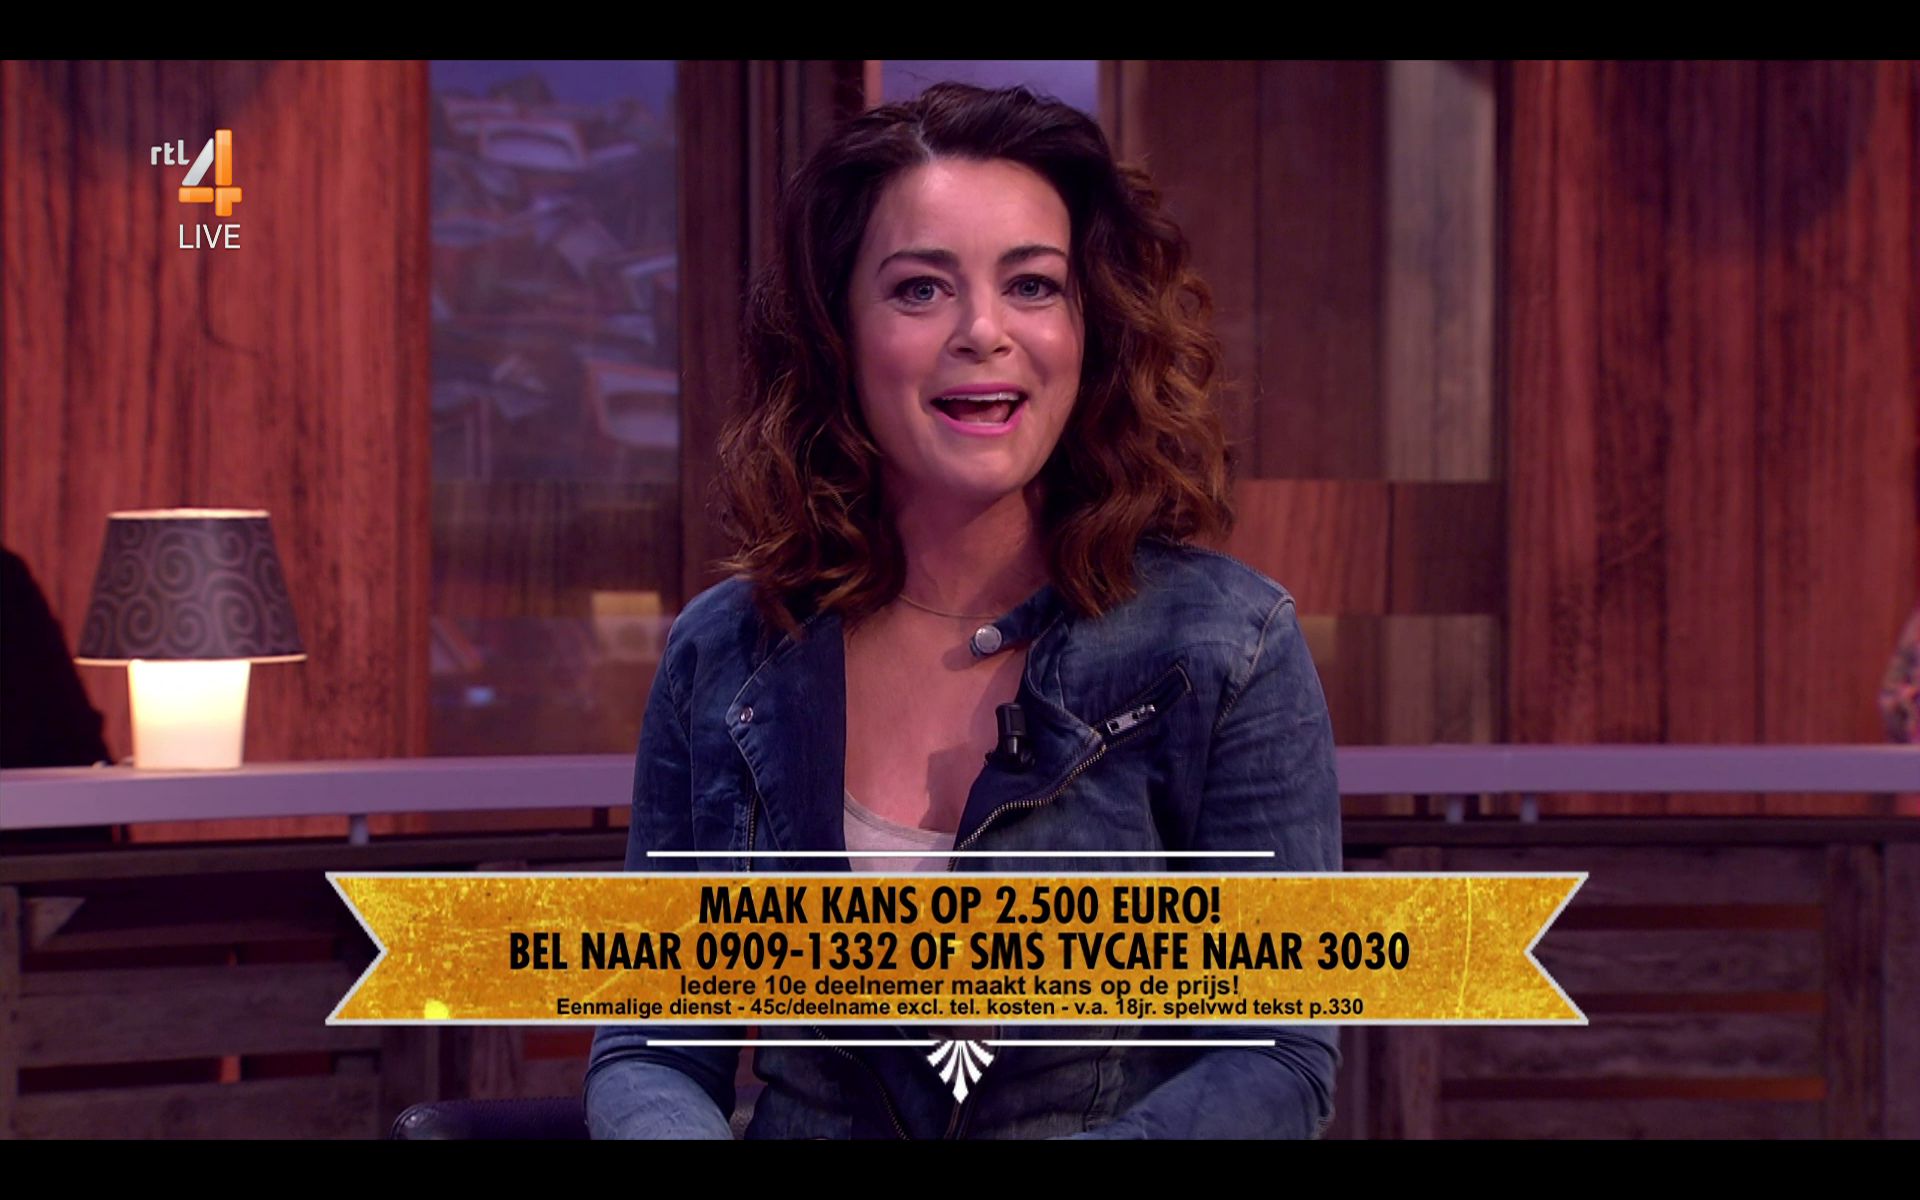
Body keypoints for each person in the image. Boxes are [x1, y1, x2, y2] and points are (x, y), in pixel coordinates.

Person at [585, 82, 1342, 1139]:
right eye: (921, 290)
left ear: (1091, 328)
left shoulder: (1227, 648)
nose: (984, 332)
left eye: (1032, 286)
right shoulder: (724, 653)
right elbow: (651, 1045)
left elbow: (1276, 1056)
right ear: (838, 336)